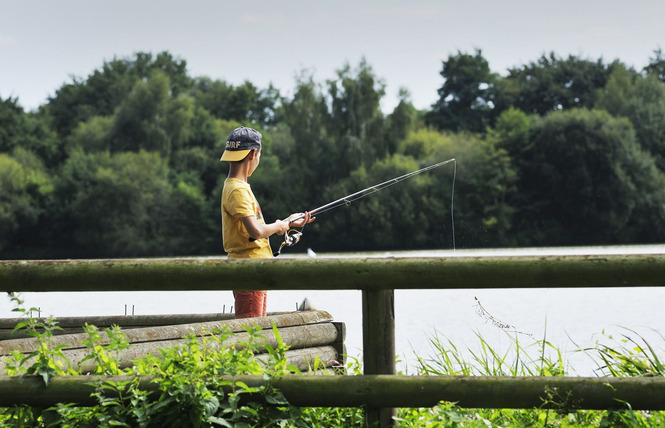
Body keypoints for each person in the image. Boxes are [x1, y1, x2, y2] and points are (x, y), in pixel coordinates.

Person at [220, 126, 314, 318]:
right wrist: (280, 226)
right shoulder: (237, 189)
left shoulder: (238, 186)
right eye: (260, 154)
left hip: (255, 270)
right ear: (253, 153)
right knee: (251, 334)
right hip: (249, 271)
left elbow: (254, 229)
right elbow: (255, 231)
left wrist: (288, 221)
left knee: (257, 330)